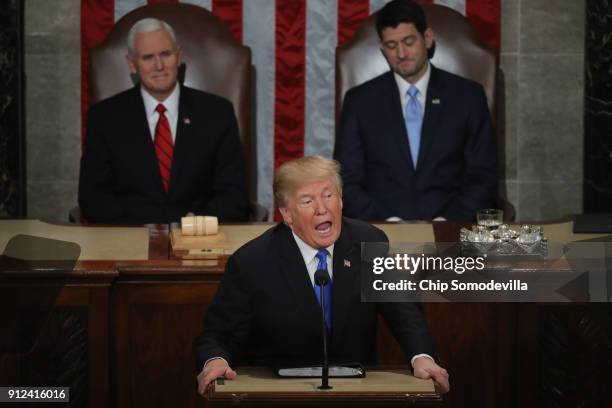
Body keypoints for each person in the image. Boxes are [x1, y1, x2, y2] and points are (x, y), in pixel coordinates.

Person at [193, 155, 449, 394]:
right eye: (307, 201)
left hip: (356, 393)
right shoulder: (252, 261)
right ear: (287, 214)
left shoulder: (368, 242)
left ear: (341, 201)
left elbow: (403, 310)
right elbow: (218, 334)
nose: (322, 209)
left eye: (329, 195)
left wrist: (421, 357)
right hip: (280, 395)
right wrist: (215, 361)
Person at [334, 0, 497, 222]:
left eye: (409, 41)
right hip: (380, 230)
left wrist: (445, 224)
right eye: (391, 46)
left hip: (451, 230)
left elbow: (483, 177)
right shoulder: (360, 101)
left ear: (427, 39)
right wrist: (386, 223)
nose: (401, 53)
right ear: (383, 49)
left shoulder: (468, 97)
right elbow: (346, 180)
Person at [78, 18, 248, 223]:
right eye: (148, 57)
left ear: (178, 57)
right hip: (130, 241)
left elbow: (233, 197)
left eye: (165, 54)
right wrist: (146, 227)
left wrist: (188, 226)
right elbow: (93, 198)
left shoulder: (218, 114)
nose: (159, 66)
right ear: (132, 65)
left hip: (199, 240)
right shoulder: (104, 118)